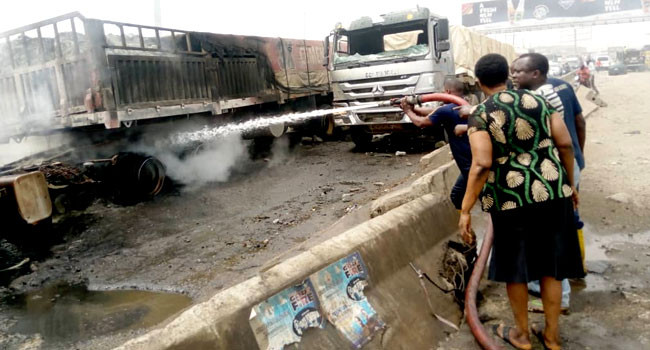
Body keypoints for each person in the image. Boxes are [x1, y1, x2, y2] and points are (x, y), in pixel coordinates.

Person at [459, 53, 584, 350]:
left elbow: (481, 164)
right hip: (553, 192)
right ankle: (552, 337)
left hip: (511, 199)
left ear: (479, 82)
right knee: (552, 267)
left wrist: (465, 210)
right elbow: (565, 143)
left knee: (517, 268)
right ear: (507, 75)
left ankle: (522, 335)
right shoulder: (538, 100)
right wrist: (567, 182)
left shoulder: (481, 113)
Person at [512, 53, 586, 314]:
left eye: (519, 71)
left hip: (549, 173)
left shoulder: (539, 97)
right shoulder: (554, 89)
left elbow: (562, 142)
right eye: (512, 70)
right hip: (558, 170)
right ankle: (566, 284)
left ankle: (552, 300)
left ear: (536, 73)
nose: (514, 75)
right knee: (557, 233)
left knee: (547, 238)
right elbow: (576, 127)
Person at [399, 78, 472, 210]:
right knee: (463, 195)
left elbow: (421, 123)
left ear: (447, 91)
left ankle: (469, 226)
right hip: (473, 162)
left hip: (469, 165)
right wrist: (412, 108)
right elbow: (433, 112)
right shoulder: (467, 106)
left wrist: (408, 111)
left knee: (459, 196)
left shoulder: (446, 110)